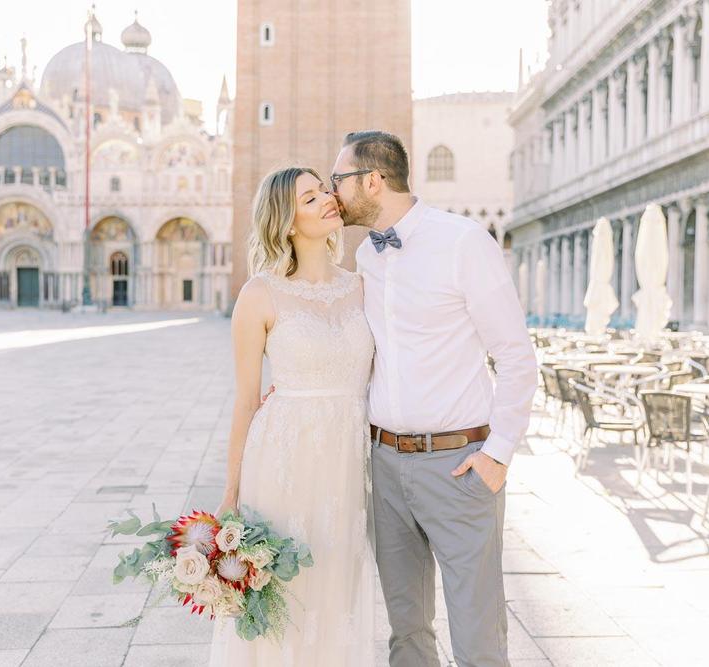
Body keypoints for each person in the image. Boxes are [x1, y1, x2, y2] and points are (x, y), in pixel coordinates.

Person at [332, 130, 538, 667]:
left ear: (372, 180)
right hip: (386, 466)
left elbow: (515, 355)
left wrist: (499, 454)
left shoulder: (463, 241)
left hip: (458, 466)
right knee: (406, 630)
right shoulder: (367, 257)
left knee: (477, 637)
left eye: (340, 179)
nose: (334, 192)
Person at [208, 166, 375, 666]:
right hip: (283, 459)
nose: (328, 198)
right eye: (310, 197)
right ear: (286, 221)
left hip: (348, 457)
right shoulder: (259, 294)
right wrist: (230, 493)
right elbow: (246, 401)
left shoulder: (364, 287)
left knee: (338, 587)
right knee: (286, 593)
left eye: (324, 189)